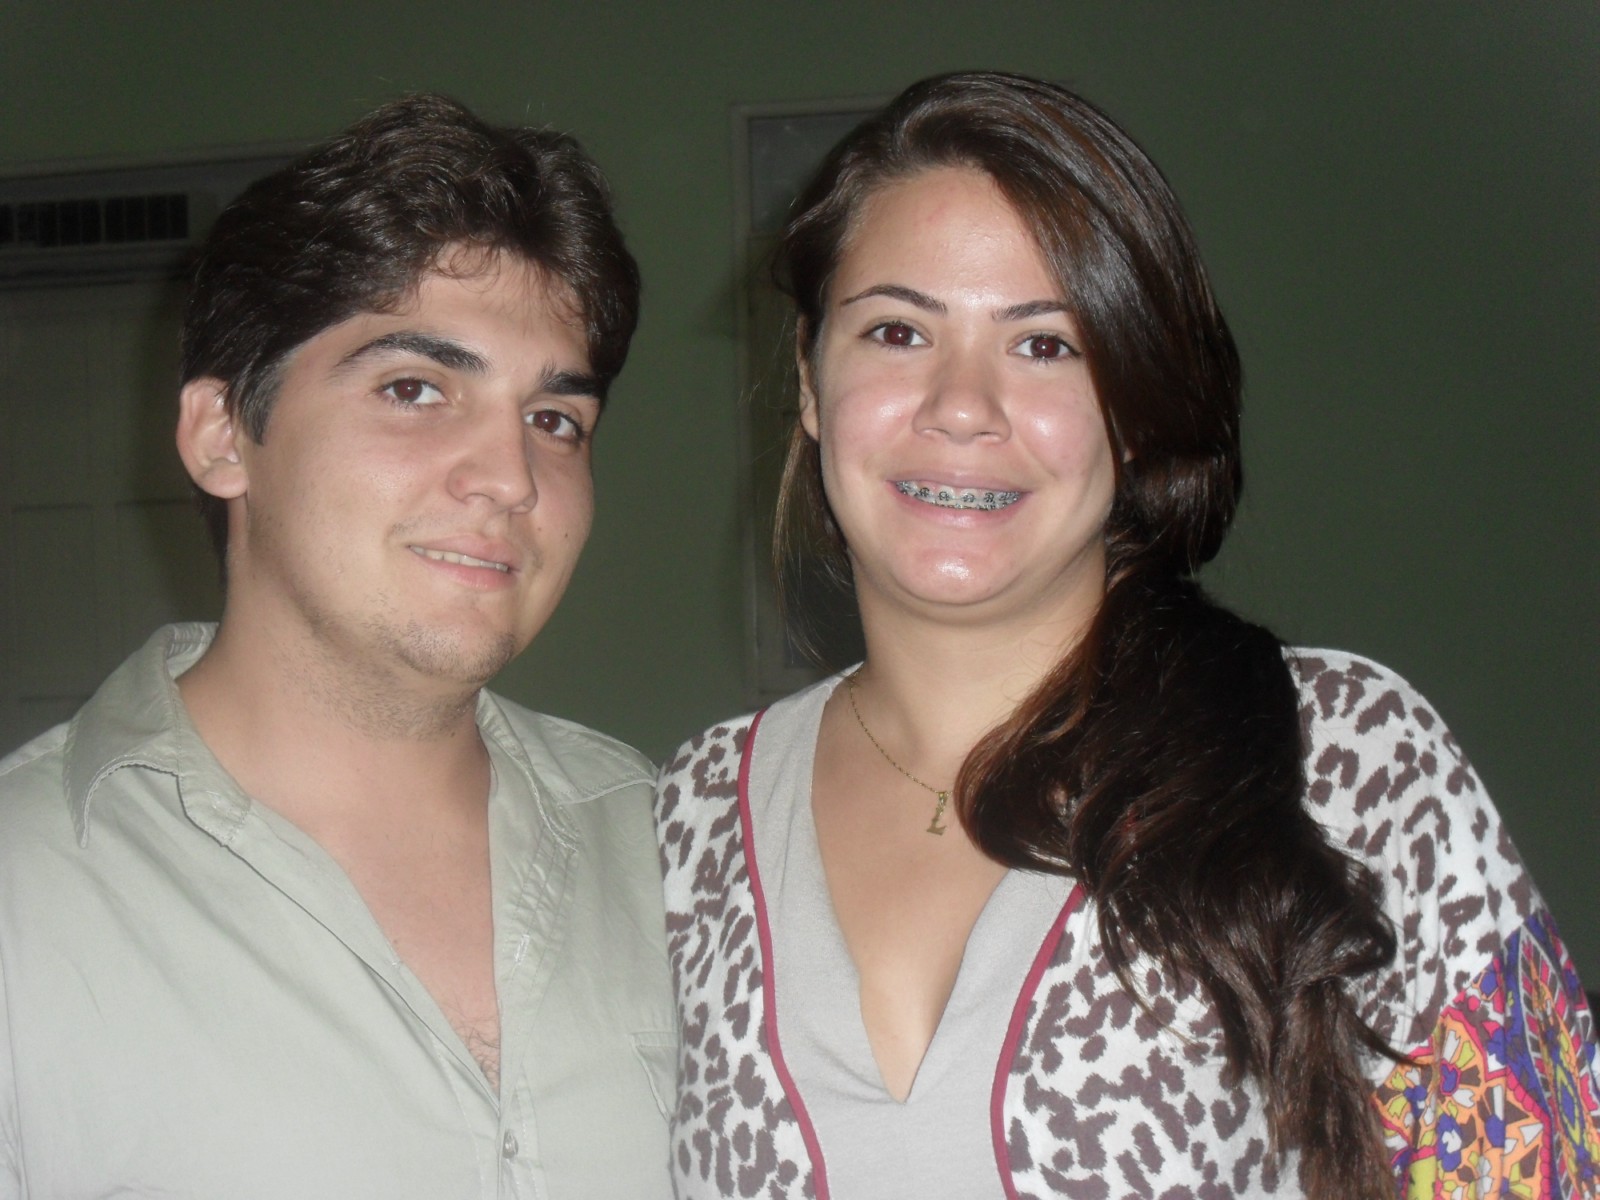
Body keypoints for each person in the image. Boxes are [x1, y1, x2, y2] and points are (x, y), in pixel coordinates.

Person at [655, 71, 1600, 1198]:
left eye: (1046, 345)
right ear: (811, 379)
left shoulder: (1349, 761)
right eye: (897, 331)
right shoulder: (689, 817)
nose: (961, 406)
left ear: (1137, 410)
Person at [0, 95, 674, 1198]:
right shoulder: (24, 898)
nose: (510, 478)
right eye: (415, 390)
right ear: (224, 435)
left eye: (555, 420)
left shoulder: (671, 848)